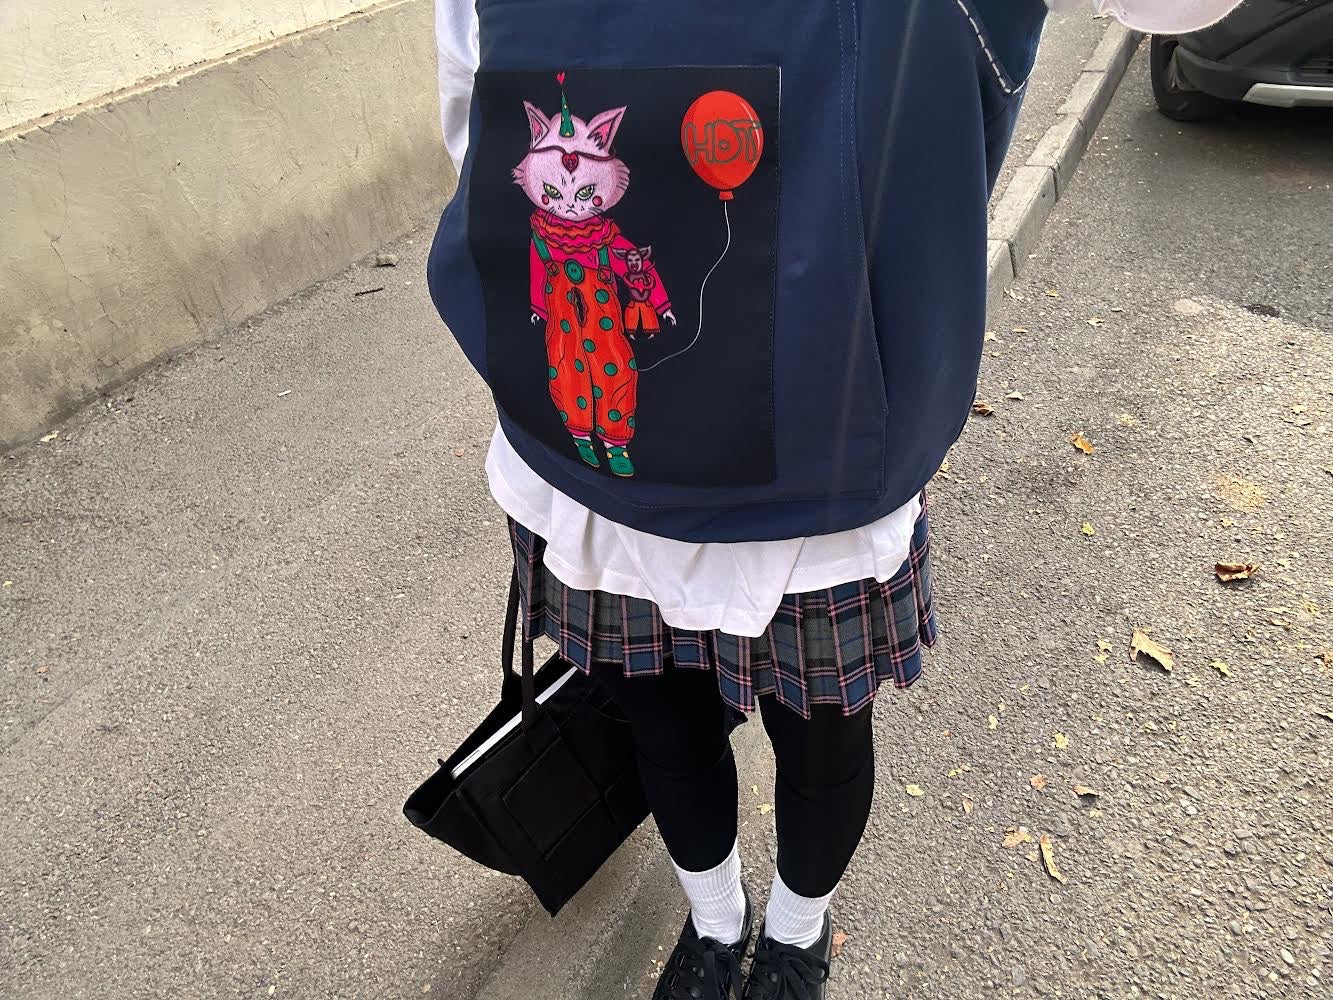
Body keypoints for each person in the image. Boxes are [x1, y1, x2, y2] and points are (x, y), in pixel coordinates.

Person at [429, 1, 1244, 997]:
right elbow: (476, 110)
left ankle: (795, 936)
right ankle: (717, 925)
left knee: (819, 729)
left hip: (817, 450)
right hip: (609, 459)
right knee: (662, 722)